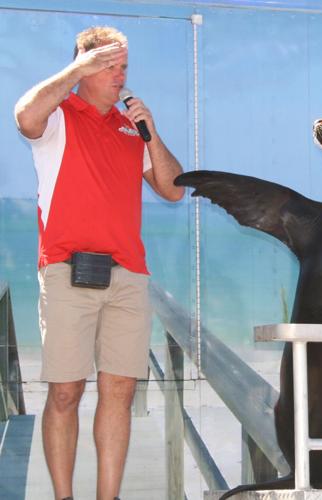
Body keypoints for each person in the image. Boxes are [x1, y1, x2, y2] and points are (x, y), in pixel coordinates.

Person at [14, 26, 184, 500]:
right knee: (66, 392)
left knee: (120, 394)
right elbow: (24, 117)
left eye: (123, 66)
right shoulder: (59, 117)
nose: (119, 74)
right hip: (67, 271)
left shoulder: (132, 127)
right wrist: (72, 72)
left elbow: (173, 188)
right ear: (84, 67)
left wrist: (151, 133)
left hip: (128, 276)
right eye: (109, 64)